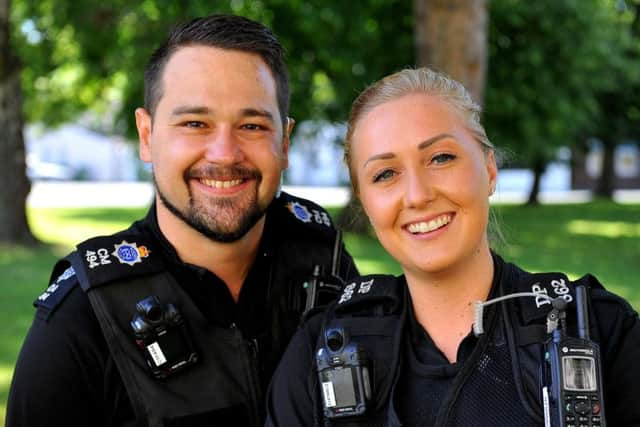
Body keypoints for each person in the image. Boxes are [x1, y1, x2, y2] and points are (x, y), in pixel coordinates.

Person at [7, 14, 358, 427]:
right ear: (146, 135)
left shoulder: (328, 268)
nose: (225, 154)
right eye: (195, 123)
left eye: (251, 125)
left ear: (284, 141)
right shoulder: (82, 319)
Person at [266, 68, 640, 426]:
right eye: (385, 174)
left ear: (489, 170)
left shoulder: (598, 331)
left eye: (440, 158)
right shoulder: (320, 350)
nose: (417, 195)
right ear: (365, 204)